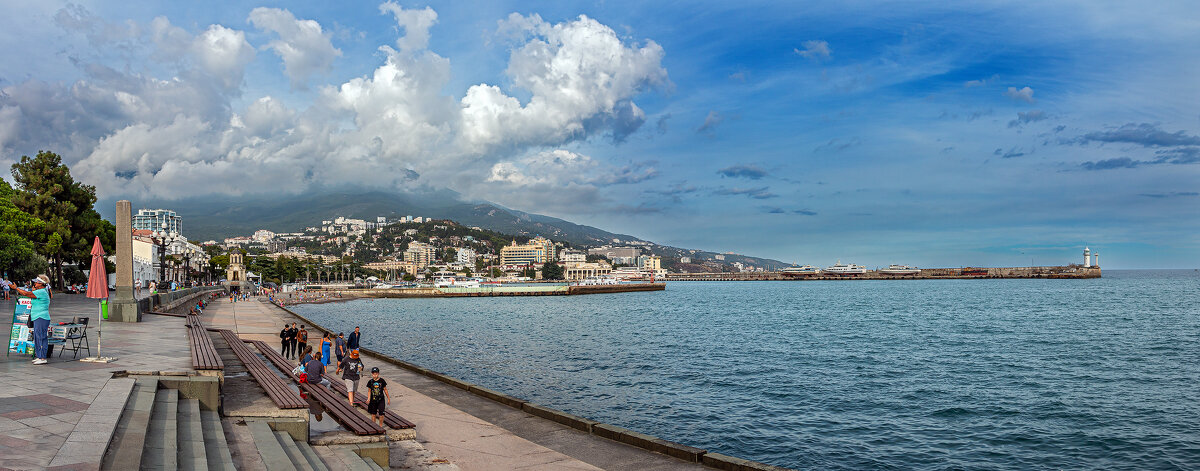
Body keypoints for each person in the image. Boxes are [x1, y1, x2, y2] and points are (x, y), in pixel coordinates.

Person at [12, 275, 52, 365]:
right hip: (37, 317)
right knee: (37, 337)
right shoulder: (40, 290)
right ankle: (39, 356)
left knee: (41, 337)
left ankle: (43, 357)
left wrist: (16, 288)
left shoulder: (41, 291)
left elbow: (26, 294)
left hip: (41, 317)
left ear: (41, 284)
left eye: (36, 282)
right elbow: (29, 293)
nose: (34, 283)